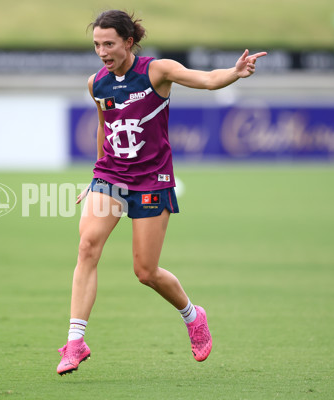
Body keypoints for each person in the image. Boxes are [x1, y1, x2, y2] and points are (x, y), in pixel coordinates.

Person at [56, 9, 267, 376]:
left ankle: (192, 315)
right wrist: (95, 174)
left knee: (145, 271)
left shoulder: (158, 71)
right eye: (96, 45)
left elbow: (205, 79)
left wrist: (234, 73)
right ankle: (75, 341)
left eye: (109, 44)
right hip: (110, 177)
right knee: (87, 246)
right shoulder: (97, 84)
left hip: (152, 179)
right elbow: (103, 129)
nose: (102, 52)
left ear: (128, 41)